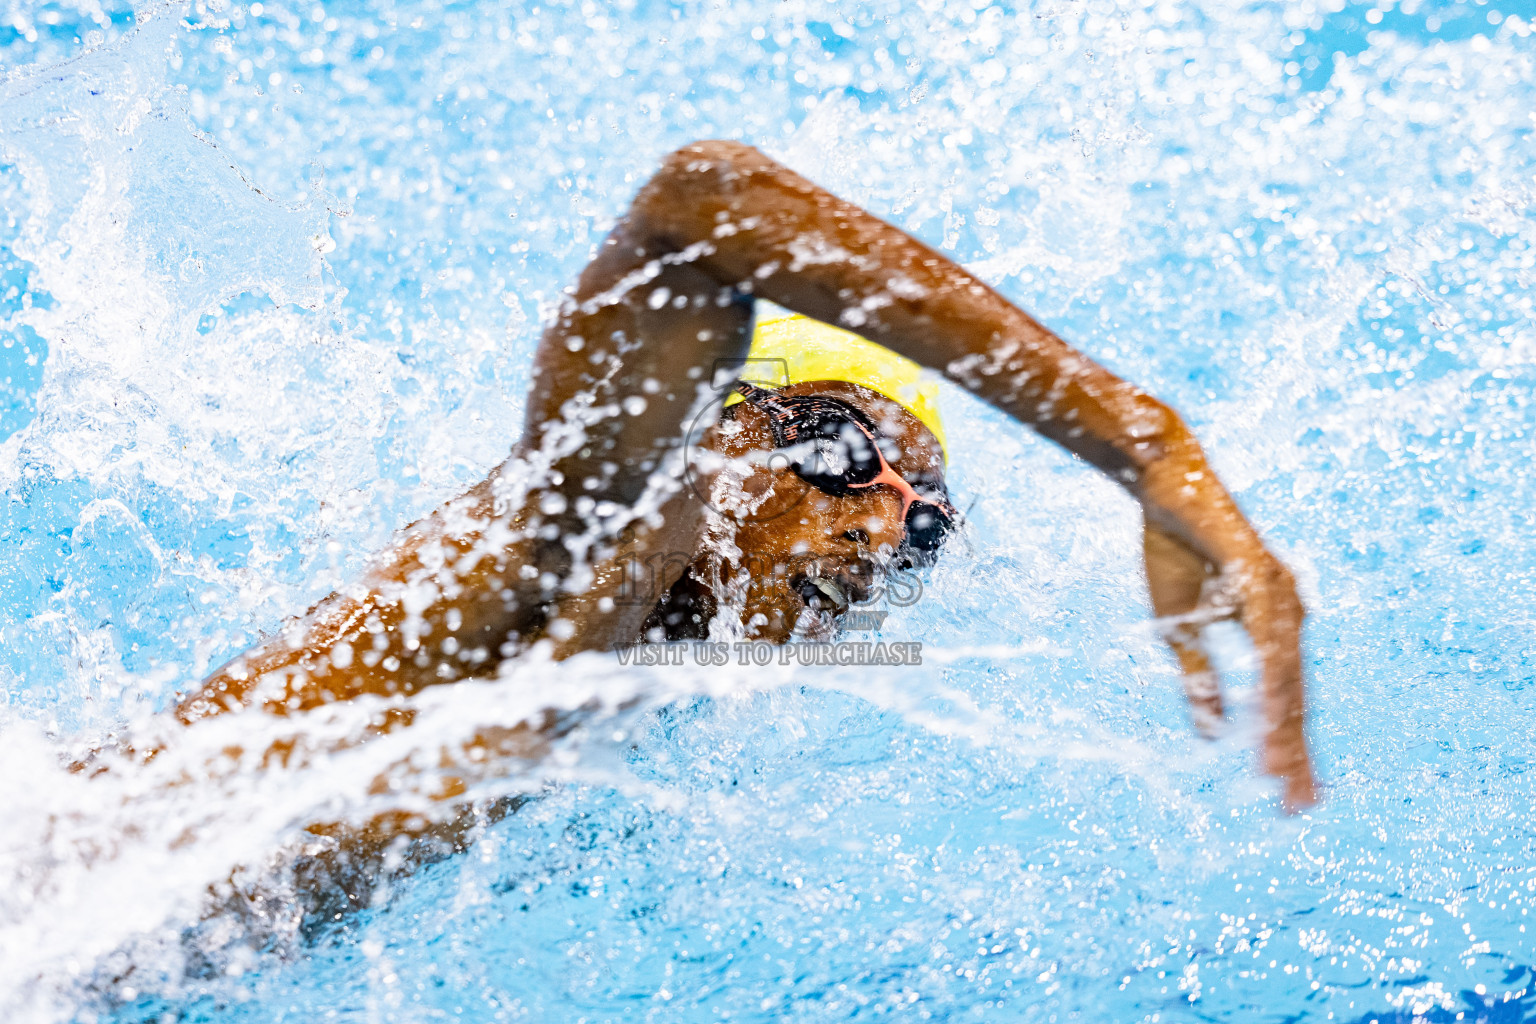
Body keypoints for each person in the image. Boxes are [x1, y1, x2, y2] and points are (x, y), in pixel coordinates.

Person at [167, 140, 1317, 814]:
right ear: (723, 428)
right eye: (840, 452)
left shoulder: (646, 659)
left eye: (925, 527)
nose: (880, 528)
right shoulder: (600, 515)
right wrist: (1147, 447)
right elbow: (701, 199)